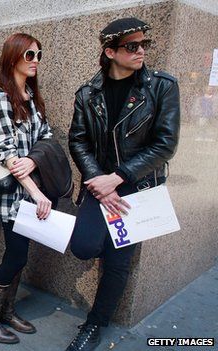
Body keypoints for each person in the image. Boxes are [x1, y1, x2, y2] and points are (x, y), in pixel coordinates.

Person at [66, 18, 180, 351]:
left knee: (118, 263)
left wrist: (118, 178)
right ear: (110, 51)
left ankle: (93, 325)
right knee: (84, 246)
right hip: (99, 185)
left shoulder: (161, 86)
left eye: (145, 44)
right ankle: (111, 237)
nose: (141, 51)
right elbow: (78, 141)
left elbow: (165, 144)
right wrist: (99, 181)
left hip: (137, 187)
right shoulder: (88, 93)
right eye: (132, 46)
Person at [0, 33, 52, 344]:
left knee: (20, 254)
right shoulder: (1, 99)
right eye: (29, 55)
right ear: (12, 59)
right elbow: (8, 157)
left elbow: (46, 138)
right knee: (16, 257)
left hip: (31, 194)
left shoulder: (31, 99)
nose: (35, 61)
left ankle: (5, 312)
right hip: (14, 197)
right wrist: (38, 193)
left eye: (38, 54)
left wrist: (33, 161)